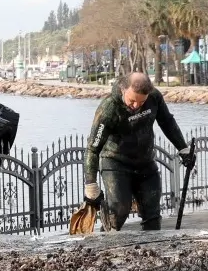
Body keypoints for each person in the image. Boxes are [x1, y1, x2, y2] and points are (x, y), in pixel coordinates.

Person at [82, 71, 195, 231]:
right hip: (115, 163)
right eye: (132, 100)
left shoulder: (154, 97)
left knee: (152, 214)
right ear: (123, 90)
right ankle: (107, 241)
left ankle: (152, 245)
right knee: (119, 210)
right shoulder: (109, 108)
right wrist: (91, 184)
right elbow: (93, 148)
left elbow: (167, 122)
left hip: (145, 163)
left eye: (142, 102)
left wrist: (183, 148)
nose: (136, 106)